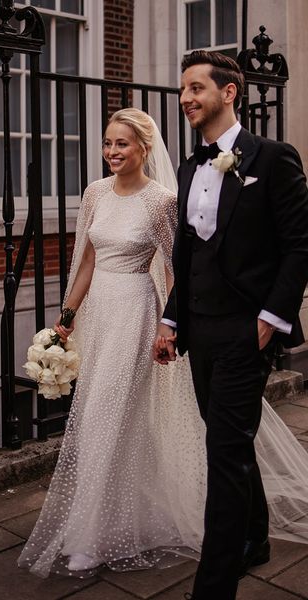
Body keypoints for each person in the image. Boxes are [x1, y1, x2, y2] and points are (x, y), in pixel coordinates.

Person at [18, 106, 308, 584]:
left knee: (109, 416)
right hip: (100, 316)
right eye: (108, 143)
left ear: (144, 148)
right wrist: (65, 320)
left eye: (122, 144)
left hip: (137, 313)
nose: (112, 152)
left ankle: (94, 537)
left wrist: (168, 325)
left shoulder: (161, 202)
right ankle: (101, 521)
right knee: (96, 418)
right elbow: (86, 263)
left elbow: (179, 268)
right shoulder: (93, 194)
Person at [154, 50, 308, 600]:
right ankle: (256, 539)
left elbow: (298, 247)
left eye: (196, 88)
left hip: (248, 331)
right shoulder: (191, 166)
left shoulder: (273, 157)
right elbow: (187, 252)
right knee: (233, 443)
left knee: (223, 452)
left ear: (229, 93)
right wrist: (172, 318)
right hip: (200, 330)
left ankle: (212, 586)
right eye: (183, 90)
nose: (186, 98)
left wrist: (269, 322)